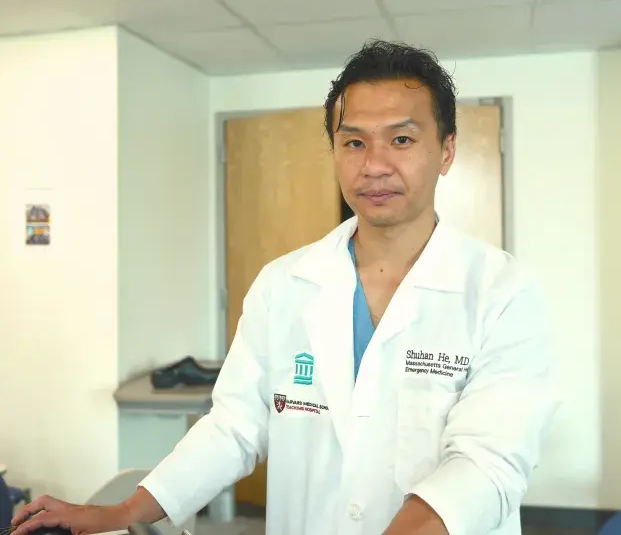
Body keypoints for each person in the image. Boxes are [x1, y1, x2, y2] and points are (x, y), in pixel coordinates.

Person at [12, 39, 558, 535]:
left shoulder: (502, 293)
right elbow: (233, 427)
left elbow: (488, 461)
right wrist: (120, 512)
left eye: (402, 139)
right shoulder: (284, 285)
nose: (375, 166)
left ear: (446, 151)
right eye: (353, 143)